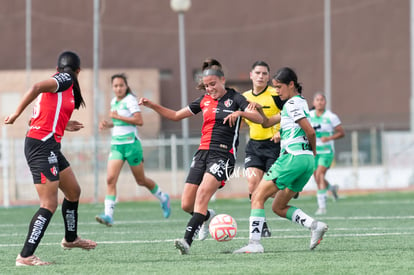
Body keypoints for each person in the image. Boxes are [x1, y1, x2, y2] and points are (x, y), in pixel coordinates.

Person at [139, 58, 263, 255]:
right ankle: (206, 217)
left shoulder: (236, 98)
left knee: (203, 193)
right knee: (186, 203)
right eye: (206, 86)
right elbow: (175, 115)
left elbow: (259, 119)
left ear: (223, 80)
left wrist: (240, 113)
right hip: (202, 153)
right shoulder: (204, 100)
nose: (210, 89)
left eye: (213, 84)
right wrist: (152, 105)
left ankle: (186, 241)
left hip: (224, 155)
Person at [4, 51, 97, 266]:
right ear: (78, 71)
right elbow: (36, 87)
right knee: (49, 203)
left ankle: (71, 239)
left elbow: (38, 118)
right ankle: (25, 255)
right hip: (41, 146)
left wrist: (64, 124)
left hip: (49, 145)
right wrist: (16, 113)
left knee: (73, 191)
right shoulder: (65, 79)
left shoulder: (63, 88)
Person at [234, 67, 328, 254]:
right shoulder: (295, 104)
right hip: (305, 163)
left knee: (257, 196)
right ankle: (315, 225)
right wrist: (259, 110)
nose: (277, 91)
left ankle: (255, 243)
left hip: (292, 158)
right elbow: (267, 122)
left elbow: (309, 131)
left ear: (291, 84)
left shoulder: (292, 104)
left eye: (279, 87)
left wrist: (314, 149)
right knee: (278, 206)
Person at [95, 73, 171, 226]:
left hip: (131, 145)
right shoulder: (113, 101)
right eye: (115, 86)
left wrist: (118, 117)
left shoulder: (130, 100)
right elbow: (118, 122)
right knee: (110, 179)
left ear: (126, 86)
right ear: (112, 88)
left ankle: (163, 197)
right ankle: (109, 216)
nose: (118, 88)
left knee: (141, 180)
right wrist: (108, 124)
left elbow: (139, 121)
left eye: (121, 85)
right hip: (117, 146)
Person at [242, 61, 285, 237]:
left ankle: (290, 192)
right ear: (251, 75)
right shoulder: (244, 97)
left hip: (274, 146)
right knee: (253, 185)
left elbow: (289, 114)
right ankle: (261, 225)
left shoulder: (275, 94)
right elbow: (241, 119)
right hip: (254, 146)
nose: (261, 76)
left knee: (273, 191)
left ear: (268, 77)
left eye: (264, 74)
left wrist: (281, 132)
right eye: (258, 73)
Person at [310, 92, 345, 215]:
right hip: (313, 151)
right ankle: (332, 188)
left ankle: (322, 207)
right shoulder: (308, 115)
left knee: (319, 174)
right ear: (313, 103)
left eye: (322, 100)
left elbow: (341, 133)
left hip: (326, 151)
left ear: (325, 102)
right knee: (317, 177)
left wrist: (329, 138)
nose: (319, 102)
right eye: (317, 100)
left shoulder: (331, 116)